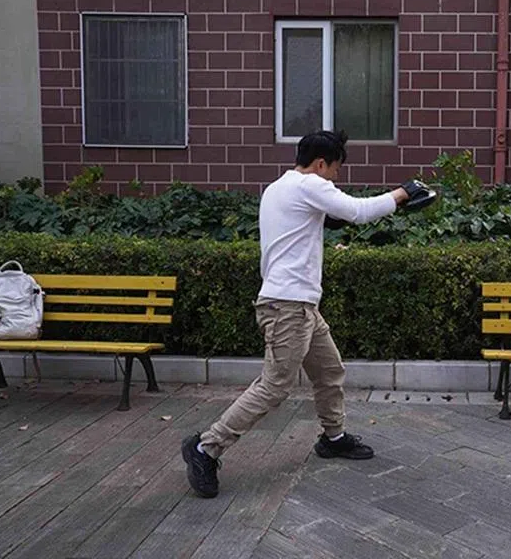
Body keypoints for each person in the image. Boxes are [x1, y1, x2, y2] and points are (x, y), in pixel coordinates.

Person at [181, 130, 435, 498]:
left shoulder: (278, 187)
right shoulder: (309, 184)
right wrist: (403, 193)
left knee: (329, 370)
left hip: (299, 306)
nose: (336, 178)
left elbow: (317, 220)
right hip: (288, 307)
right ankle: (206, 448)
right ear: (320, 164)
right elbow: (359, 211)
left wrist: (336, 217)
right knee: (274, 386)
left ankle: (334, 437)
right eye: (335, 170)